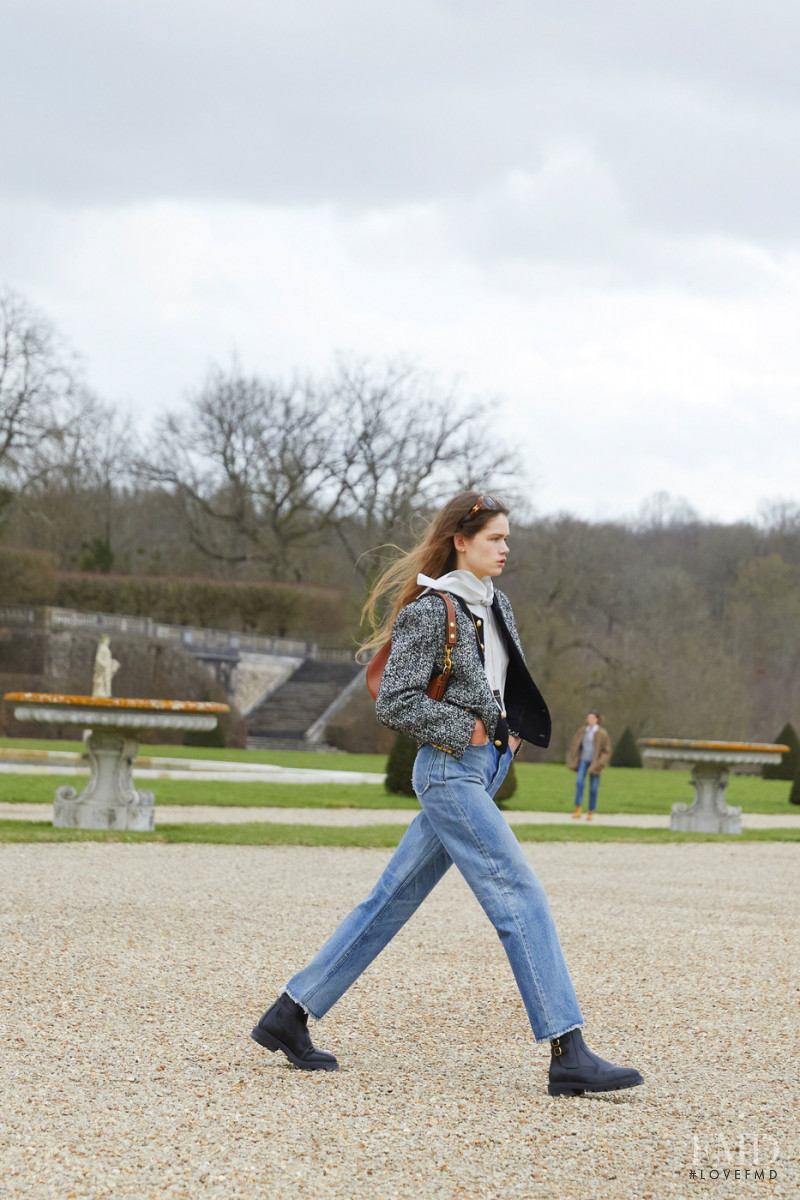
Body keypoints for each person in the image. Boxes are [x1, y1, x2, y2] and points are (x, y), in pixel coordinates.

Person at [251, 493, 643, 1097]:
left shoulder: (497, 607)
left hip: (479, 771)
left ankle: (290, 1013)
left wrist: (507, 737)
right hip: (448, 772)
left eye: (509, 538)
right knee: (520, 894)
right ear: (462, 540)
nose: (506, 548)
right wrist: (473, 732)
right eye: (495, 538)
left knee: (388, 901)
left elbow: (498, 685)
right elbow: (395, 700)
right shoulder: (433, 610)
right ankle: (568, 1050)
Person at [567, 711, 612, 821]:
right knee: (579, 783)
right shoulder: (582, 731)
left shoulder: (602, 733)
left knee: (593, 787)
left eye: (592, 718)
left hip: (595, 763)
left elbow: (606, 750)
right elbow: (575, 744)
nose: (590, 720)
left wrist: (601, 762)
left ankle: (591, 811)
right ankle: (578, 808)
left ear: (597, 719)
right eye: (588, 718)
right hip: (583, 760)